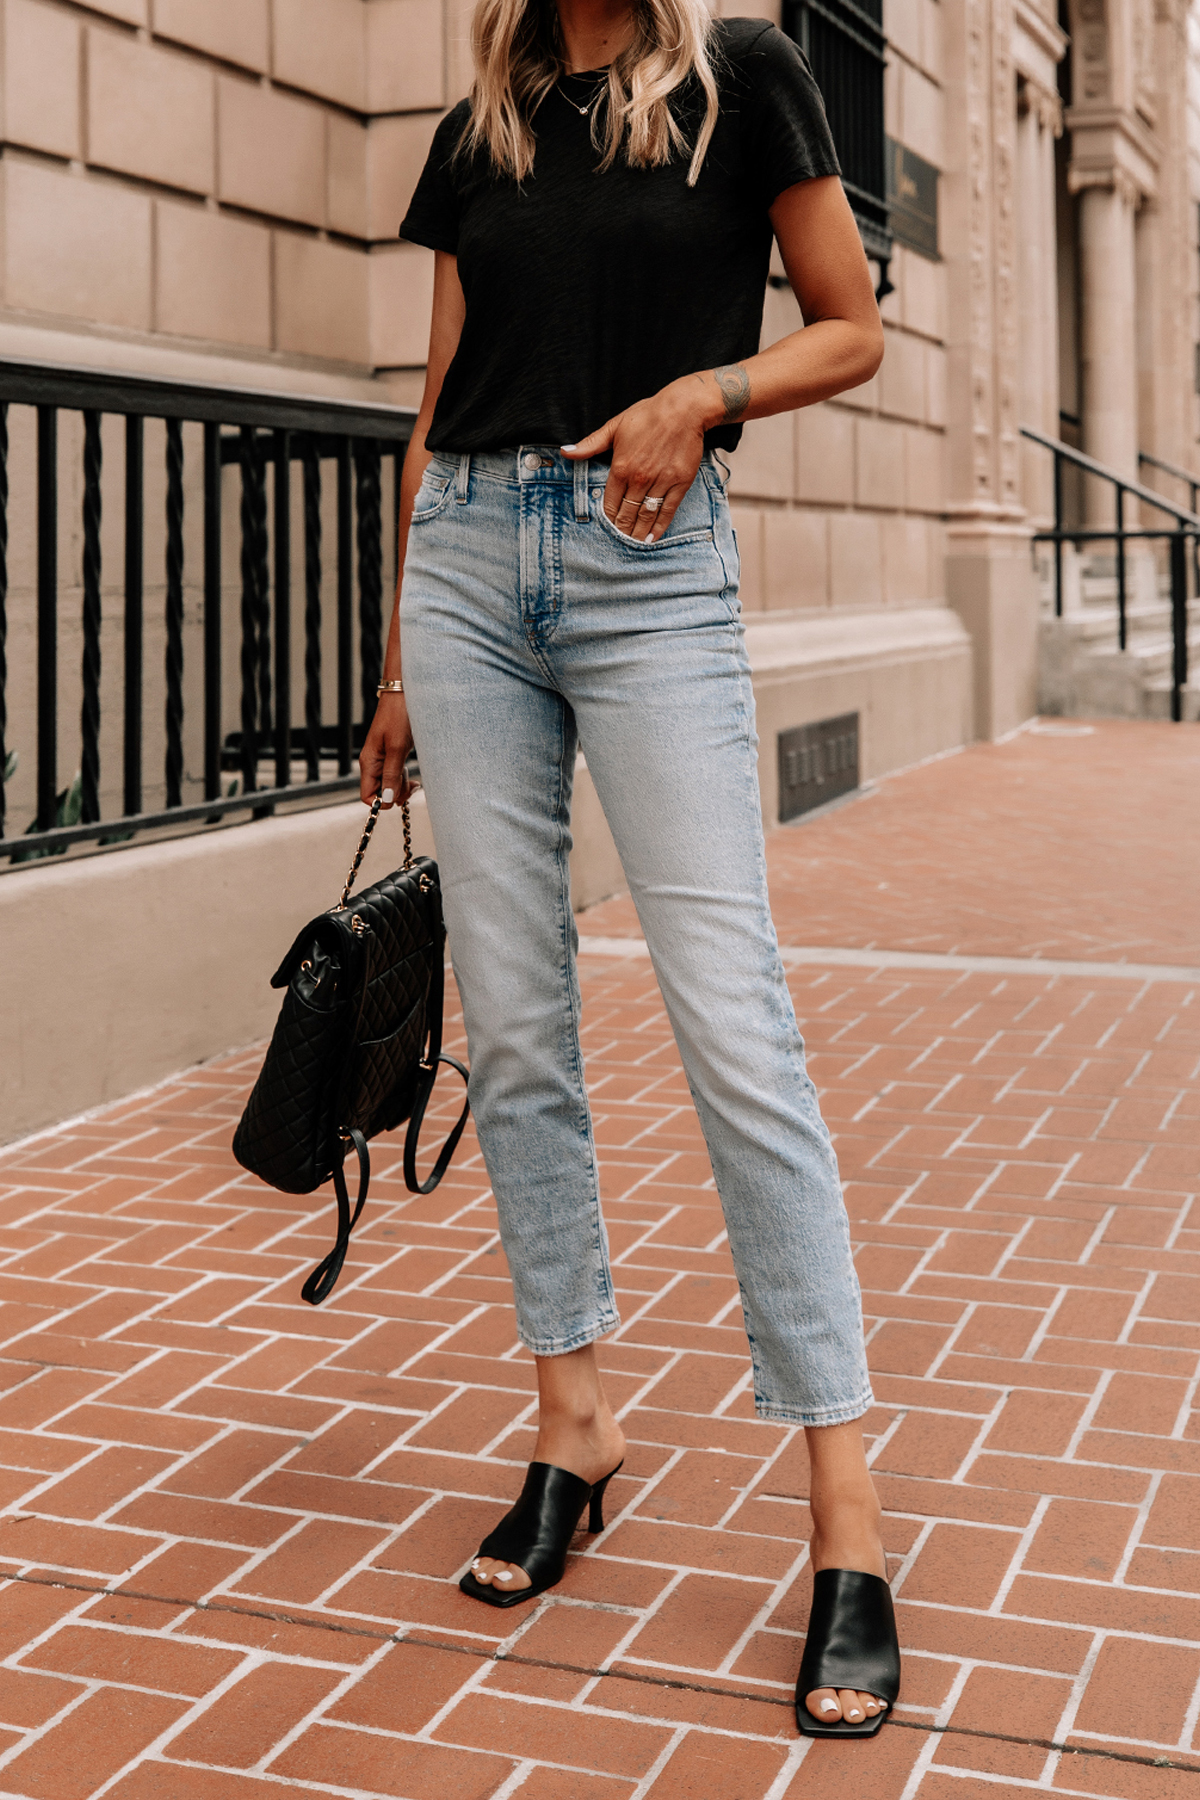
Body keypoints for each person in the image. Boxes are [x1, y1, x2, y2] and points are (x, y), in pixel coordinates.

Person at [359, 0, 899, 1739]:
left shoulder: (746, 75)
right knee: (515, 1031)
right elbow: (439, 397)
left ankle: (845, 1524)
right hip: (463, 578)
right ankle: (572, 1421)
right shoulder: (487, 118)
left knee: (735, 1029)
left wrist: (702, 392)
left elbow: (852, 328)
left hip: (648, 563)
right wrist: (393, 661)